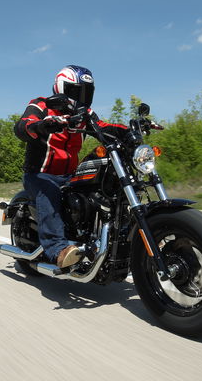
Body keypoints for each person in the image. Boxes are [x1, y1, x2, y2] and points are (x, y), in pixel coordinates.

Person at [14, 65, 128, 268]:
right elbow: (23, 125)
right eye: (77, 91)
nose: (82, 96)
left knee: (101, 186)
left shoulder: (85, 113)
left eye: (86, 91)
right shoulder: (41, 105)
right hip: (40, 175)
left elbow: (102, 127)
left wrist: (129, 130)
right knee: (49, 192)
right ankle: (58, 249)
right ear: (61, 88)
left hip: (69, 175)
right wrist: (40, 126)